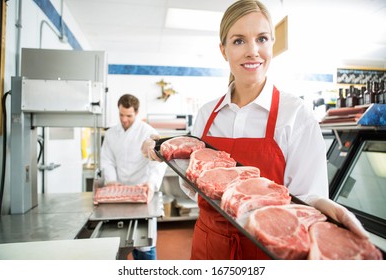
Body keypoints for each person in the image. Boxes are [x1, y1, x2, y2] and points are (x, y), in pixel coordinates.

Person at [142, 0, 369, 260]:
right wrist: (165, 153)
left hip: (267, 250)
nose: (253, 51)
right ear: (223, 50)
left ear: (272, 44)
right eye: (239, 41)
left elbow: (306, 198)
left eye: (262, 39)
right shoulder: (206, 114)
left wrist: (322, 206)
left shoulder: (296, 115)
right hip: (208, 248)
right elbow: (195, 187)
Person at [101, 93, 167, 260]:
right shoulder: (111, 134)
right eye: (121, 115)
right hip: (119, 193)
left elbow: (158, 162)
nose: (124, 119)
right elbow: (107, 159)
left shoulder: (148, 132)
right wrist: (111, 180)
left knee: (144, 245)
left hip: (142, 192)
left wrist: (151, 184)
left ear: (136, 113)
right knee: (116, 246)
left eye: (129, 116)